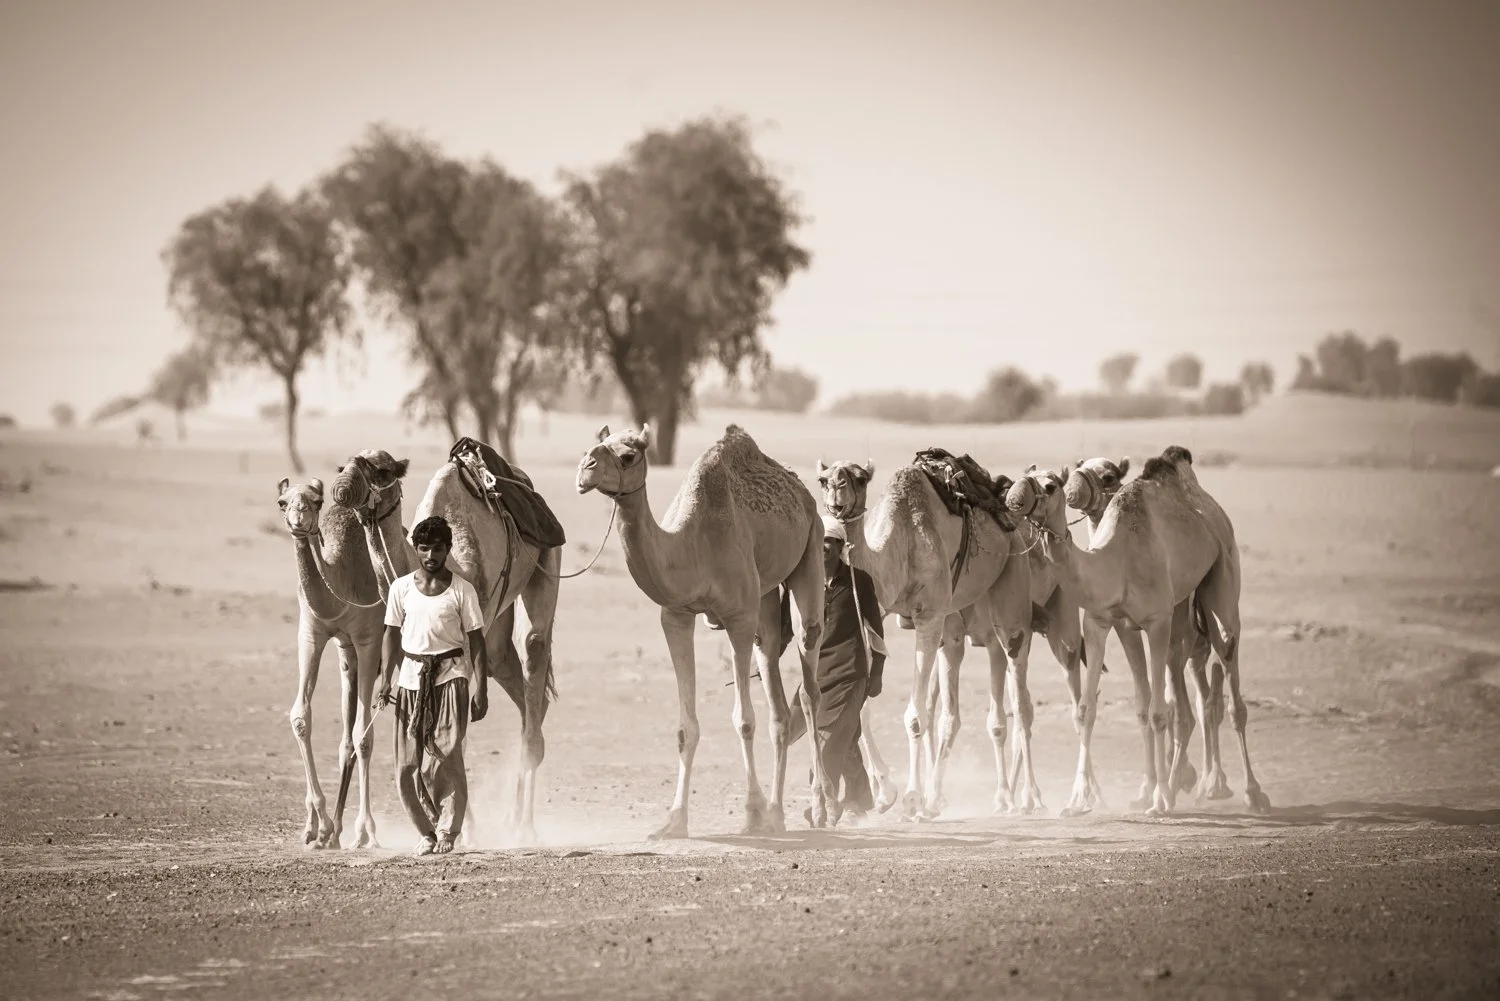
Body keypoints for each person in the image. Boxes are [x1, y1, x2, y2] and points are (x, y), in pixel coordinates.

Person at [375, 515, 490, 855]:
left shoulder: (462, 590)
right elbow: (391, 634)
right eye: (424, 548)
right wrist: (386, 680)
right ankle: (426, 831)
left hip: (452, 677)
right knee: (407, 764)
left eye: (437, 548)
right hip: (410, 680)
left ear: (447, 549)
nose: (430, 556)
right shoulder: (401, 589)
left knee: (446, 757)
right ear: (416, 549)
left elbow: (477, 641)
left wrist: (480, 686)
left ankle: (448, 831)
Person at [788, 515, 887, 824]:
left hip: (851, 674)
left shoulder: (859, 582)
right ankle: (859, 798)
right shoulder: (802, 583)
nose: (825, 547)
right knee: (791, 731)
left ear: (842, 546)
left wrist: (877, 673)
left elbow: (876, 632)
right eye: (821, 541)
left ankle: (824, 802)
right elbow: (783, 628)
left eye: (832, 541)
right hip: (815, 675)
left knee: (828, 740)